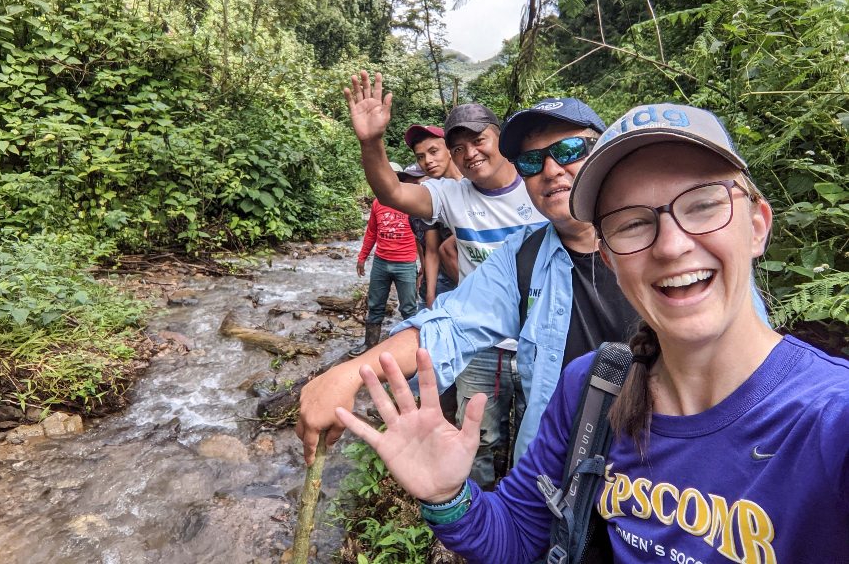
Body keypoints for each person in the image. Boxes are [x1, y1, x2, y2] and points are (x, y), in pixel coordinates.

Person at [333, 103, 849, 563]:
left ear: (758, 225)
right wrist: (447, 498)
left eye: (703, 205)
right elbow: (518, 531)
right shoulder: (587, 384)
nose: (671, 246)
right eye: (633, 223)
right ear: (609, 252)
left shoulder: (827, 421)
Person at [298, 91, 646, 484]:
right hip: (558, 470)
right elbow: (450, 323)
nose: (550, 170)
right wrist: (347, 375)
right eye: (532, 161)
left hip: (661, 476)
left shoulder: (668, 240)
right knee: (484, 431)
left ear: (604, 153)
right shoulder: (522, 256)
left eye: (568, 150)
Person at [350, 162, 419, 356]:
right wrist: (362, 257)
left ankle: (411, 349)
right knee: (375, 304)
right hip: (381, 262)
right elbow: (371, 232)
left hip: (405, 263)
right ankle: (370, 344)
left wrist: (423, 267)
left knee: (409, 308)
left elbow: (421, 235)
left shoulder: (409, 200)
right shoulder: (377, 203)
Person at [400, 124, 461, 310]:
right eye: (421, 157)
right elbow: (431, 249)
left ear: (449, 150)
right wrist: (430, 293)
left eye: (434, 151)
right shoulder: (431, 194)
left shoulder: (474, 183)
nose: (428, 161)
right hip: (446, 278)